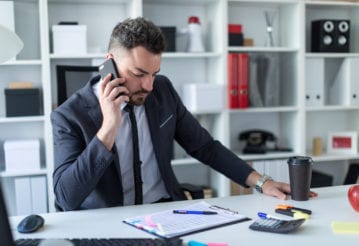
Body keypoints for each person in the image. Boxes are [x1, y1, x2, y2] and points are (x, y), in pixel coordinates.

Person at [51, 17, 316, 211]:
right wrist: (108, 127)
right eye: (139, 74)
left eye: (153, 74)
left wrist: (262, 183)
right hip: (107, 221)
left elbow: (205, 147)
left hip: (166, 213)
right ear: (109, 61)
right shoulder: (69, 116)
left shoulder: (162, 91)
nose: (149, 86)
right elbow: (65, 197)